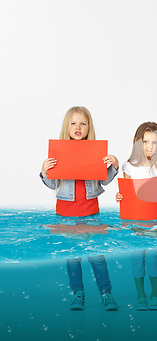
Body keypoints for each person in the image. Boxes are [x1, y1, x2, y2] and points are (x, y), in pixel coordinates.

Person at [40, 106, 119, 311]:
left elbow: (105, 180)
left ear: (88, 127)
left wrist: (114, 166)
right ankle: (78, 294)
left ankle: (106, 294)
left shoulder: (94, 152)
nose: (78, 127)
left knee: (97, 256)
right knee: (73, 257)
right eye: (73, 123)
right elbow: (52, 185)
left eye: (82, 123)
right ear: (67, 127)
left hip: (91, 212)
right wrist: (44, 172)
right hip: (66, 215)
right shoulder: (59, 153)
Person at [116, 122, 157, 311]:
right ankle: (141, 296)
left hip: (155, 222)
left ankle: (155, 295)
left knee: (152, 259)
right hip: (135, 222)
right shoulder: (129, 166)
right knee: (137, 260)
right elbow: (126, 194)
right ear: (137, 142)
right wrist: (120, 197)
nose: (150, 146)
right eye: (145, 141)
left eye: (154, 142)